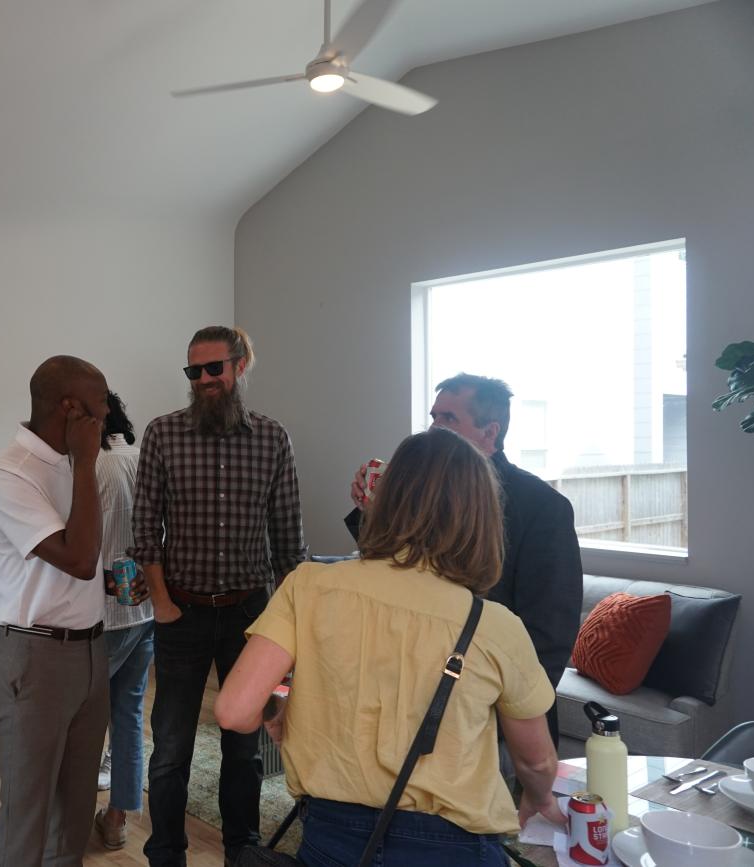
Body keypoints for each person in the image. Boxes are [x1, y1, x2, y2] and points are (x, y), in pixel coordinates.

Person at [216, 427, 565, 867]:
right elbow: (535, 762)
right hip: (456, 849)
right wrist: (538, 799)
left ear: (387, 499)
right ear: (480, 518)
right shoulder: (495, 625)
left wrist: (280, 710)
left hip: (331, 838)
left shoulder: (308, 586)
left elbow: (233, 711)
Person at [131, 325, 307, 867]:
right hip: (180, 612)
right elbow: (144, 529)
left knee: (244, 745)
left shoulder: (272, 438)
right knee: (171, 748)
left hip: (251, 615)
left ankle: (242, 851)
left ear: (240, 366)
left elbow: (289, 543)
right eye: (194, 371)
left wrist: (291, 626)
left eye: (214, 369)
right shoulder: (162, 434)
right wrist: (161, 603)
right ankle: (165, 853)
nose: (204, 380)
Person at [345, 373, 582, 744]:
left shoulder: (542, 508)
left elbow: (550, 635)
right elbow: (385, 566)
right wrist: (373, 509)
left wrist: (502, 713)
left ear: (490, 432)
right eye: (434, 416)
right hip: (413, 698)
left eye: (449, 419)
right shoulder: (420, 492)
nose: (435, 428)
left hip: (494, 717)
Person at [0, 355, 110, 867]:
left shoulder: (71, 466)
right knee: (27, 816)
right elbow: (77, 558)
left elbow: (85, 560)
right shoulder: (9, 476)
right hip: (35, 658)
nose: (105, 422)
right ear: (71, 409)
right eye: (99, 411)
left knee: (74, 813)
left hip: (90, 651)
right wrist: (87, 462)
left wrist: (117, 587)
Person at [92, 392, 155, 851]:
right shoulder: (141, 456)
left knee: (80, 716)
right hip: (147, 604)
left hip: (104, 610)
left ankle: (68, 819)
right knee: (129, 714)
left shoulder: (91, 467)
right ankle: (116, 819)